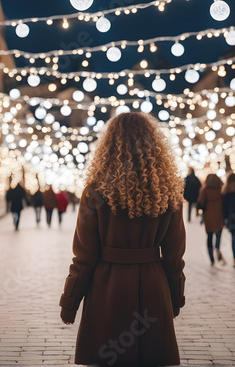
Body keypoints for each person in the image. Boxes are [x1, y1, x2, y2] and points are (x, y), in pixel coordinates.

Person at [60, 112, 185, 367]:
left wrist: (70, 302)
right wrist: (174, 298)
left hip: (108, 288)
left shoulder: (95, 191)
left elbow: (83, 257)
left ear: (108, 146)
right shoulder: (168, 191)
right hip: (153, 287)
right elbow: (174, 257)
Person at [197, 173, 225, 265]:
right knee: (219, 234)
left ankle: (211, 257)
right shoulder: (221, 189)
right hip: (220, 214)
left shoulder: (205, 190)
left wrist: (200, 210)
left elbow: (200, 203)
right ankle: (217, 247)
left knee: (209, 236)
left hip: (208, 215)